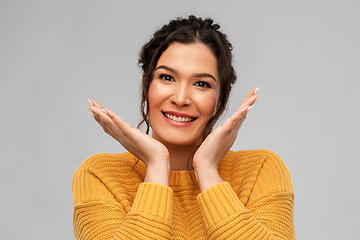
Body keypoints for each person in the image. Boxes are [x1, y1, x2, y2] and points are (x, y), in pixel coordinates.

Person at [72, 15, 295, 239]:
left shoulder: (260, 170)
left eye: (201, 84)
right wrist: (157, 164)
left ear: (222, 97)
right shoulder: (101, 175)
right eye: (167, 77)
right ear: (146, 85)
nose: (180, 98)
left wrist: (207, 169)